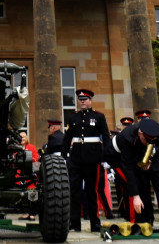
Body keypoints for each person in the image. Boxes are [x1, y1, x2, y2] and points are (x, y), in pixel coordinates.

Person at [61, 88, 111, 232]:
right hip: (75, 159)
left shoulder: (99, 117)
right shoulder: (73, 117)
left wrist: (106, 157)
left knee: (92, 192)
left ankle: (95, 223)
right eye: (80, 100)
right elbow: (67, 138)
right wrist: (63, 157)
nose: (82, 102)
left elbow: (106, 137)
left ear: (90, 101)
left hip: (93, 159)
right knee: (74, 192)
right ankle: (74, 223)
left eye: (85, 99)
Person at [17, 131, 40, 221]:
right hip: (19, 174)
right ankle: (26, 213)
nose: (22, 138)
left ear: (26, 138)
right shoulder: (16, 148)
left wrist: (28, 156)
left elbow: (36, 158)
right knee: (22, 194)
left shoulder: (32, 147)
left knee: (32, 193)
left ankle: (32, 214)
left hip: (30, 172)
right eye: (20, 137)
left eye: (24, 137)